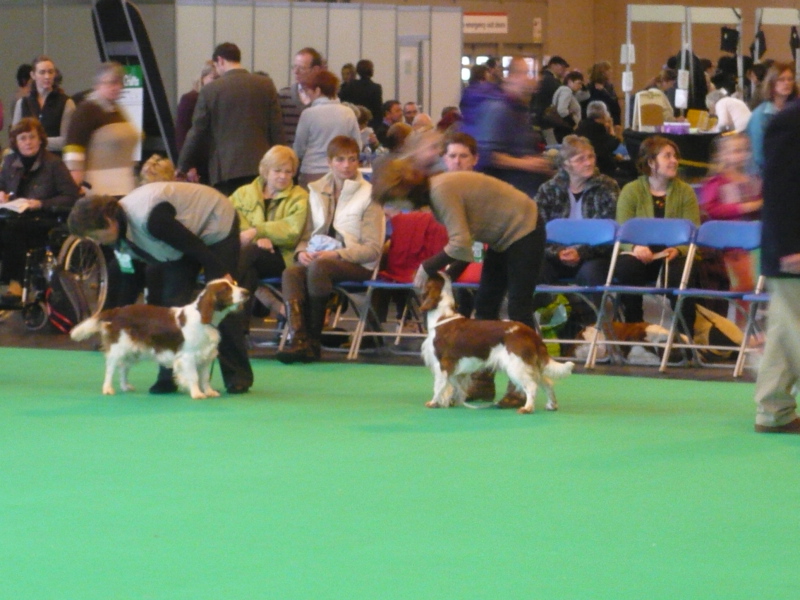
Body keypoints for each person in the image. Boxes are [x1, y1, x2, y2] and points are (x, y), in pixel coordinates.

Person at [372, 158, 546, 407]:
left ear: (405, 193)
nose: (392, 207)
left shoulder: (441, 191)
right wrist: (449, 275)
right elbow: (470, 241)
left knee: (519, 306)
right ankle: (484, 380)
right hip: (500, 237)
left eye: (392, 200)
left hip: (525, 227)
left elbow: (459, 244)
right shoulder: (437, 194)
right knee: (485, 305)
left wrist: (427, 267)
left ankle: (520, 386)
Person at [67, 182, 253, 395]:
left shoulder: (151, 219)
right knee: (170, 301)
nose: (95, 241)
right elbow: (130, 279)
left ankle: (238, 376)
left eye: (95, 235)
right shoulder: (118, 237)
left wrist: (220, 271)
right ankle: (169, 377)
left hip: (214, 221)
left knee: (223, 304)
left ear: (109, 222)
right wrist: (114, 320)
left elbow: (192, 245)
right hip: (178, 243)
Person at [276, 136, 384, 364]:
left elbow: (373, 250)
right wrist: (300, 252)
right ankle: (299, 340)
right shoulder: (315, 191)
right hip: (320, 261)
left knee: (319, 267)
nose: (347, 165)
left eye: (352, 159)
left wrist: (336, 254)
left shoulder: (370, 195)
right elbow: (305, 237)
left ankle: (313, 341)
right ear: (329, 162)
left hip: (358, 264)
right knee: (291, 272)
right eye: (340, 160)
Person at [614, 136, 701, 334]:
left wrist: (678, 249)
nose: (674, 161)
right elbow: (622, 230)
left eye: (675, 156)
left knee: (681, 274)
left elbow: (693, 231)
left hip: (674, 253)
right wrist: (635, 248)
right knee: (627, 268)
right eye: (667, 156)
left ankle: (684, 336)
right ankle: (634, 329)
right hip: (640, 252)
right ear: (651, 162)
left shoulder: (685, 192)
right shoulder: (631, 190)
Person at [535, 135, 619, 333]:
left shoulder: (607, 187)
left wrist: (580, 252)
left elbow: (611, 230)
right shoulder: (548, 190)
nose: (589, 162)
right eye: (581, 159)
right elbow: (537, 230)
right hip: (556, 254)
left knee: (591, 274)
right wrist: (558, 252)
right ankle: (538, 329)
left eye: (591, 157)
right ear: (565, 164)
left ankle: (589, 330)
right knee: (533, 270)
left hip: (595, 255)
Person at [177, 42, 284, 196]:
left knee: (230, 214)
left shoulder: (210, 90)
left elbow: (197, 131)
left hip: (226, 169)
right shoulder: (266, 85)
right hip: (261, 166)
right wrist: (281, 162)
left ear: (220, 60)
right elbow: (276, 128)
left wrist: (182, 166)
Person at [752, 96, 800, 434]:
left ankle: (773, 410)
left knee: (786, 330)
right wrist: (789, 247)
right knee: (793, 329)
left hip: (788, 248)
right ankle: (772, 409)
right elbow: (780, 191)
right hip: (791, 249)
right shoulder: (790, 122)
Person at [0, 118, 79, 299]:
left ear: (40, 139)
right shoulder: (10, 162)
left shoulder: (54, 164)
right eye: (23, 138)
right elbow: (1, 185)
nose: (28, 142)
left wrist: (41, 203)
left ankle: (15, 283)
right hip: (15, 215)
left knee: (13, 230)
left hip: (45, 218)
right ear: (16, 142)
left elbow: (70, 197)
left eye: (32, 137)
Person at [230, 145, 308, 302]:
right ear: (265, 171)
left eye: (288, 172)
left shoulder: (300, 196)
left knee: (250, 253)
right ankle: (239, 325)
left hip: (282, 257)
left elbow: (292, 231)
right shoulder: (243, 193)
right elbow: (231, 219)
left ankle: (222, 285)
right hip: (250, 254)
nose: (283, 176)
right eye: (277, 171)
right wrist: (257, 239)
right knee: (249, 273)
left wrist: (258, 231)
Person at [699, 133, 761, 326]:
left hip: (752, 244)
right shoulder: (716, 182)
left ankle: (743, 327)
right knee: (742, 285)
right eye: (735, 151)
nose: (741, 155)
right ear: (723, 155)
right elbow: (709, 209)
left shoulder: (753, 180)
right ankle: (731, 328)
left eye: (744, 150)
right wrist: (745, 207)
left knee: (749, 287)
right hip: (726, 246)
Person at [473, 56, 553, 198]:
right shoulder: (499, 109)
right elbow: (487, 155)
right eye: (528, 74)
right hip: (507, 196)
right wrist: (526, 164)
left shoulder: (520, 109)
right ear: (513, 77)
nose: (535, 80)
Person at [64, 62, 139, 196]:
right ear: (97, 84)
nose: (117, 87)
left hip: (124, 187)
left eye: (119, 82)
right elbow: (74, 151)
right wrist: (75, 186)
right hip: (100, 191)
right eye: (111, 83)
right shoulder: (86, 110)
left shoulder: (117, 110)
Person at [293, 71, 361, 188]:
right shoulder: (348, 112)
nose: (307, 94)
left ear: (318, 90)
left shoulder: (308, 114)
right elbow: (357, 144)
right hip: (341, 172)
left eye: (308, 91)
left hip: (312, 172)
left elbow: (299, 148)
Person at [12, 56, 76, 154]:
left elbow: (66, 140)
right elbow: (15, 136)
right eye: (42, 72)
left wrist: (36, 141)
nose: (47, 76)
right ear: (33, 75)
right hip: (27, 161)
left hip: (53, 161)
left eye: (50, 72)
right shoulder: (22, 103)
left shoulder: (66, 103)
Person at [745, 62, 797, 175]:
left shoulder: (794, 111)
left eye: (790, 79)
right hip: (764, 175)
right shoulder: (760, 116)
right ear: (772, 83)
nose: (787, 83)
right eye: (781, 79)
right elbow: (759, 155)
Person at [279, 47, 324, 146]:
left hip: (315, 156)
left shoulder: (326, 99)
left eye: (302, 68)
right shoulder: (283, 96)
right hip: (288, 156)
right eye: (294, 67)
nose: (296, 71)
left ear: (316, 70)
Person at [174, 60, 217, 154]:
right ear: (202, 78)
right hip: (196, 155)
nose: (217, 82)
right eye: (213, 78)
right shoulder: (190, 99)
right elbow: (182, 132)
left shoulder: (219, 101)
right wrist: (187, 163)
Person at [575, 100, 621, 177]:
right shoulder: (597, 128)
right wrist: (612, 128)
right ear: (604, 114)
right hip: (600, 169)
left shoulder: (583, 125)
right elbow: (609, 147)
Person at [338, 59, 383, 130]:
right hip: (368, 124)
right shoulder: (376, 88)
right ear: (371, 71)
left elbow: (342, 103)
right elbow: (378, 111)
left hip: (351, 122)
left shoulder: (350, 85)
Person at [530, 55, 570, 126]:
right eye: (562, 67)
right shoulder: (550, 80)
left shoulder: (544, 77)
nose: (564, 70)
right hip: (545, 118)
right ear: (553, 65)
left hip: (539, 116)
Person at [549, 70, 584, 142]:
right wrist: (574, 125)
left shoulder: (565, 91)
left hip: (561, 127)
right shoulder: (566, 90)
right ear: (570, 81)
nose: (580, 86)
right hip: (565, 129)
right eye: (579, 83)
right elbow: (562, 110)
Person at [583, 61, 621, 127]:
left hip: (610, 119)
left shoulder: (608, 86)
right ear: (602, 72)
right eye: (608, 69)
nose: (611, 71)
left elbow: (614, 104)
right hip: (596, 120)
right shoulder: (590, 88)